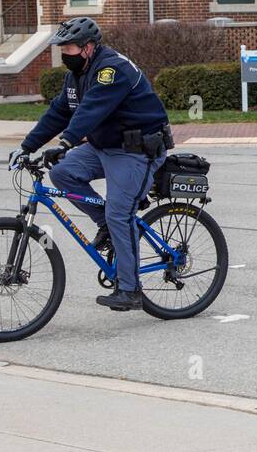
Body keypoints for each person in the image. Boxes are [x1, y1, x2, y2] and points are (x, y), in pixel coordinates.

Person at [9, 18, 172, 311]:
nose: (64, 53)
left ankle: (130, 289)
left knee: (120, 213)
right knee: (62, 173)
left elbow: (91, 110)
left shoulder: (112, 70)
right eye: (61, 48)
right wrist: (26, 146)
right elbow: (59, 112)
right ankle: (105, 225)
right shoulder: (76, 76)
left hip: (136, 151)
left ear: (88, 47)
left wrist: (65, 143)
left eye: (68, 48)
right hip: (103, 147)